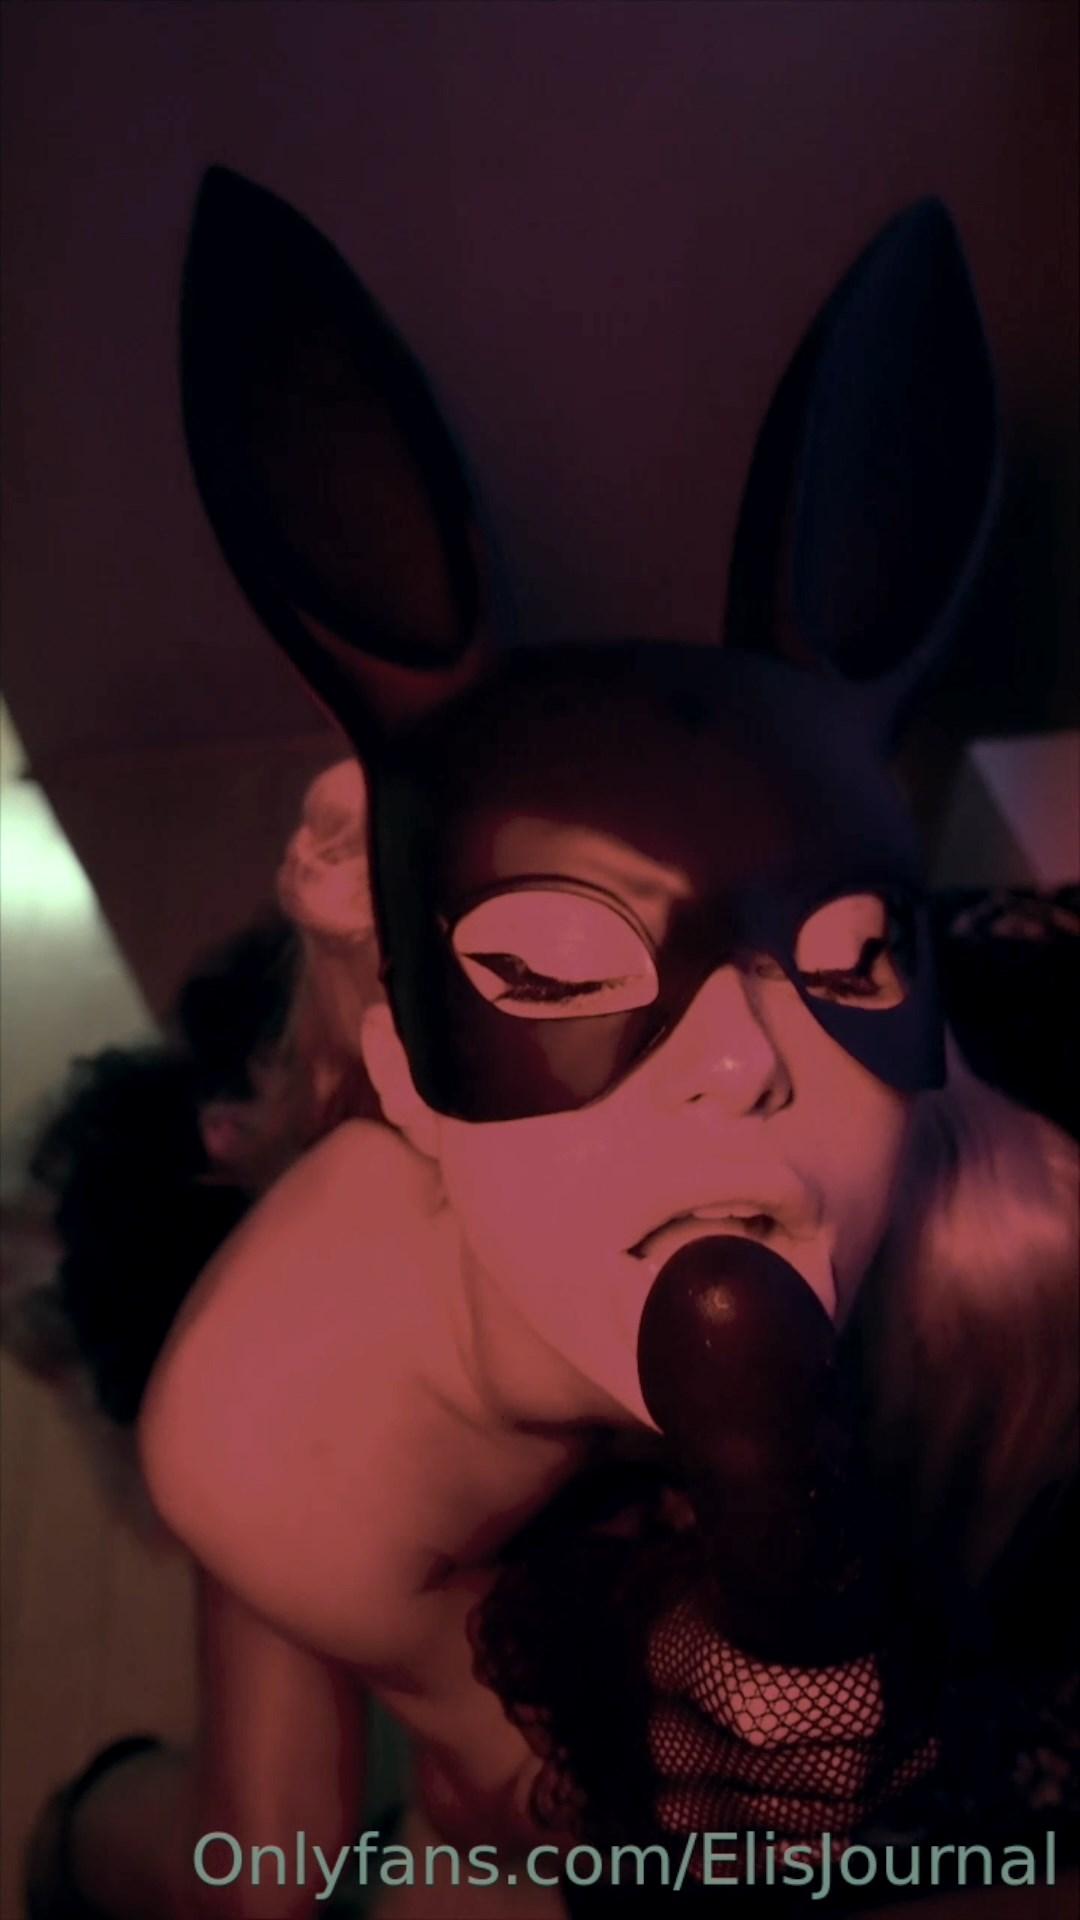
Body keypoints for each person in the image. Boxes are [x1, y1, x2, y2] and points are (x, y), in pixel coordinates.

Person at [25, 172, 1079, 1920]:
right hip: (417, 1580)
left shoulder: (999, 1229)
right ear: (410, 1076)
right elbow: (520, 1799)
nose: (741, 1059)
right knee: (266, 1873)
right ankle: (86, 1830)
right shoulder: (294, 1416)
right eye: (553, 971)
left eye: (844, 963)